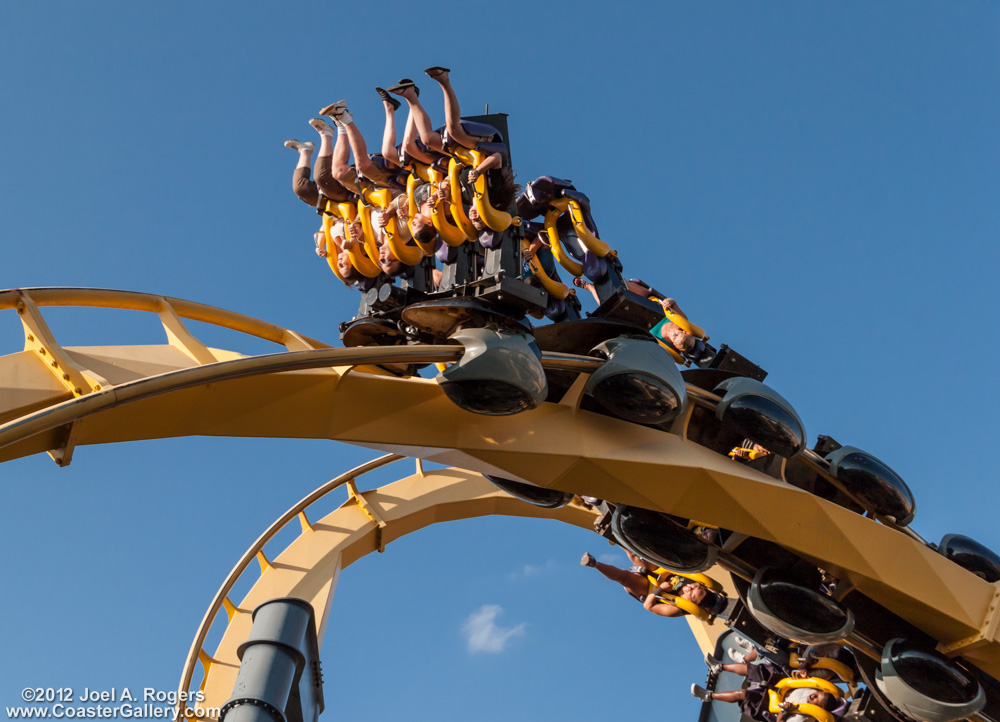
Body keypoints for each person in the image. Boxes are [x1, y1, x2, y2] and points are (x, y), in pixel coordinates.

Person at [580, 551, 726, 618]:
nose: (689, 587)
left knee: (625, 576)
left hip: (650, 589)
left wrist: (660, 589)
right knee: (635, 556)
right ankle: (615, 532)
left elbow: (648, 606)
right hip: (660, 572)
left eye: (691, 594)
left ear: (692, 604)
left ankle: (595, 563)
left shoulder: (675, 610)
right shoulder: (693, 583)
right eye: (695, 586)